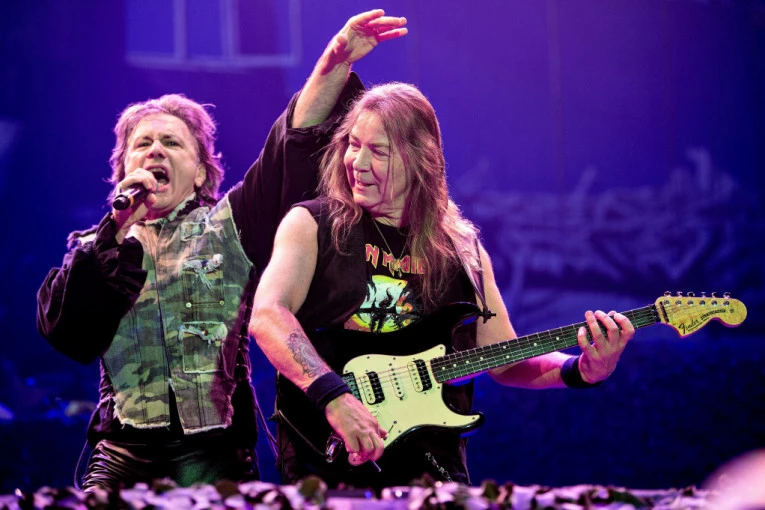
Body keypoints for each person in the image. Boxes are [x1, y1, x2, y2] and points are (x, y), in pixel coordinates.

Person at [36, 10, 408, 491]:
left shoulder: (229, 225)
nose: (155, 151)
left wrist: (331, 66)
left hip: (216, 456)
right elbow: (69, 337)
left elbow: (287, 146)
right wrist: (114, 231)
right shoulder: (95, 247)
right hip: (121, 454)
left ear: (199, 171)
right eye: (142, 144)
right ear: (122, 167)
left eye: (171, 143)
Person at [248, 82, 636, 490]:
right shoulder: (312, 224)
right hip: (327, 456)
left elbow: (503, 360)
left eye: (377, 151)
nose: (356, 162)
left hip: (433, 467)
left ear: (420, 160)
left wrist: (581, 370)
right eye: (353, 144)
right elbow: (268, 315)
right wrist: (334, 397)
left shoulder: (462, 250)